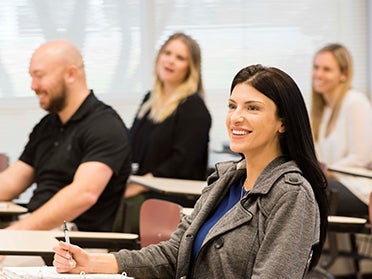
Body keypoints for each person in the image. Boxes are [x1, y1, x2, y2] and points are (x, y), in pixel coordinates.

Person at [53, 64, 328, 278]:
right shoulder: (224, 180)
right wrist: (93, 262)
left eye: (252, 108)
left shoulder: (291, 195)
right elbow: (174, 255)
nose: (236, 117)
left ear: (283, 123)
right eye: (232, 106)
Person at [0, 40, 131, 232]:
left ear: (70, 74)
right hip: (36, 231)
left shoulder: (106, 126)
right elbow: (11, 182)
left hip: (74, 242)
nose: (33, 86)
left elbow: (84, 195)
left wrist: (17, 233)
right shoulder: (47, 125)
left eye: (39, 76)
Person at [124, 32, 211, 232]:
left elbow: (182, 162)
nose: (170, 61)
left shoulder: (193, 107)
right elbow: (131, 145)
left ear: (191, 68)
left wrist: (144, 183)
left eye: (180, 58)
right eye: (167, 53)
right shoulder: (150, 99)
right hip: (143, 187)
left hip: (170, 198)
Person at [311, 43, 372, 217]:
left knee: (304, 190)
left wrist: (329, 170)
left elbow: (361, 157)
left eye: (327, 69)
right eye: (316, 67)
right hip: (335, 182)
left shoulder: (355, 102)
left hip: (358, 188)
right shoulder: (323, 110)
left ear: (344, 75)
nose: (318, 74)